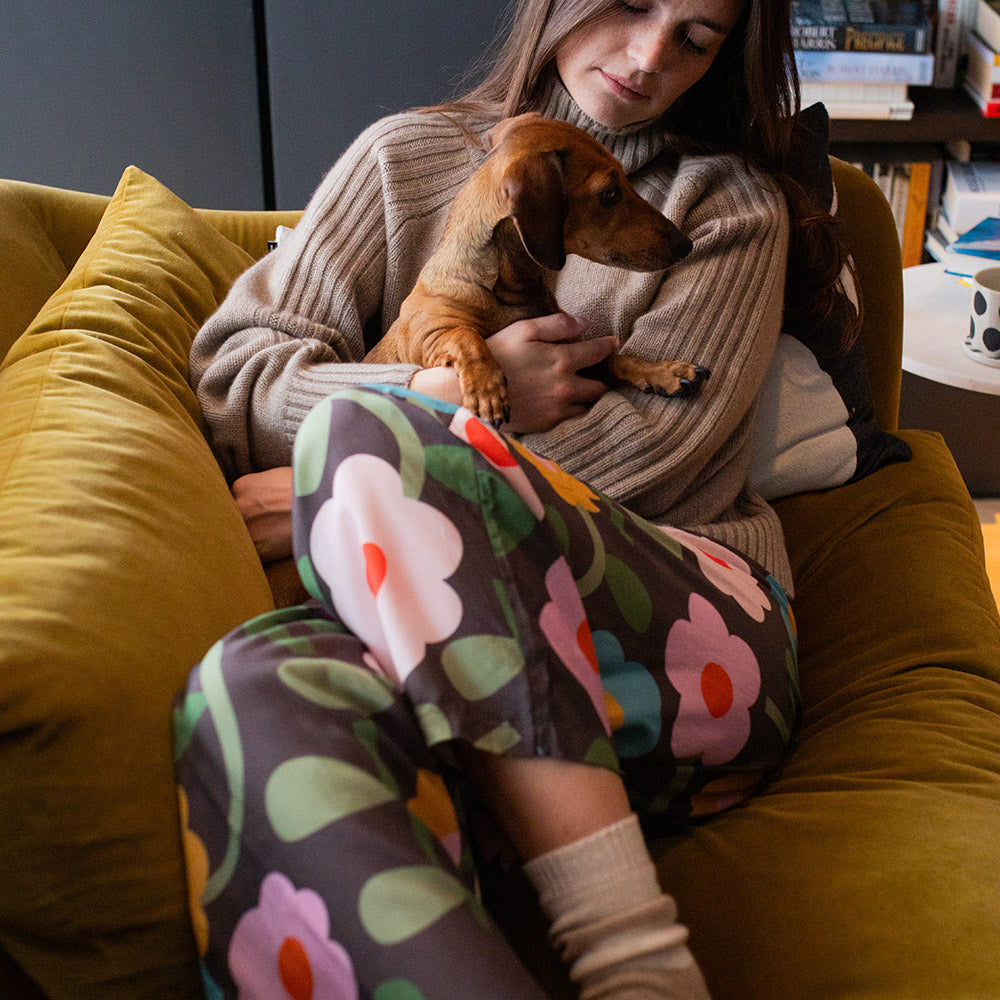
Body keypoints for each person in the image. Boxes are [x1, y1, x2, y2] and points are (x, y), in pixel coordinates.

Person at [176, 1, 858, 998]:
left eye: (697, 37)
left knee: (370, 438)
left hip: (687, 636)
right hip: (427, 646)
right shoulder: (398, 161)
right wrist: (443, 396)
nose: (649, 55)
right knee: (242, 685)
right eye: (629, 3)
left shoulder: (727, 209)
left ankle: (637, 964)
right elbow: (239, 378)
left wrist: (361, 475)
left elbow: (655, 452)